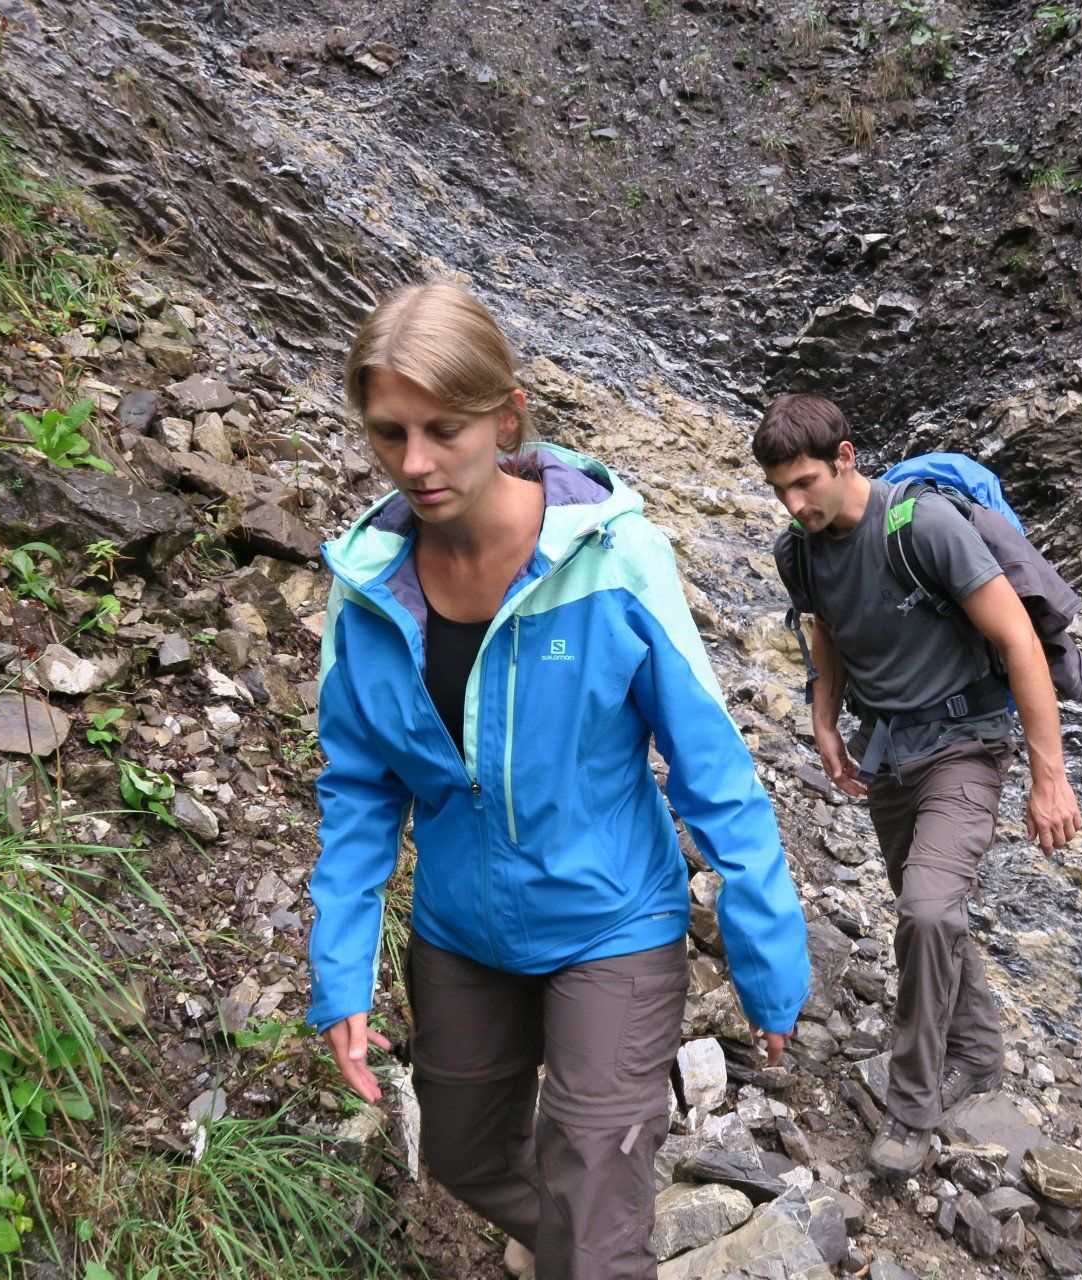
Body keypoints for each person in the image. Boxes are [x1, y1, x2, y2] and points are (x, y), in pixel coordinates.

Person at [307, 284, 810, 1280]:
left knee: (593, 1190)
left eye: (443, 430)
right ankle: (596, 1243)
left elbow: (711, 768)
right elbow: (360, 787)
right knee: (462, 1154)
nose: (414, 462)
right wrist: (341, 966)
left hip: (612, 921)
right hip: (460, 929)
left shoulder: (613, 559)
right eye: (390, 432)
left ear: (507, 417)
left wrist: (768, 960)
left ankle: (601, 1247)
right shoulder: (368, 587)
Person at [752, 393, 1082, 1180]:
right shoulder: (799, 552)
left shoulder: (921, 525)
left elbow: (1017, 639)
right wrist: (825, 719)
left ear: (845, 458)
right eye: (779, 490)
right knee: (932, 911)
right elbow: (827, 630)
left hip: (968, 744)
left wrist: (1050, 776)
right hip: (889, 754)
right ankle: (978, 1052)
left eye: (805, 483)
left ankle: (911, 1107)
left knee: (927, 911)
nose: (794, 505)